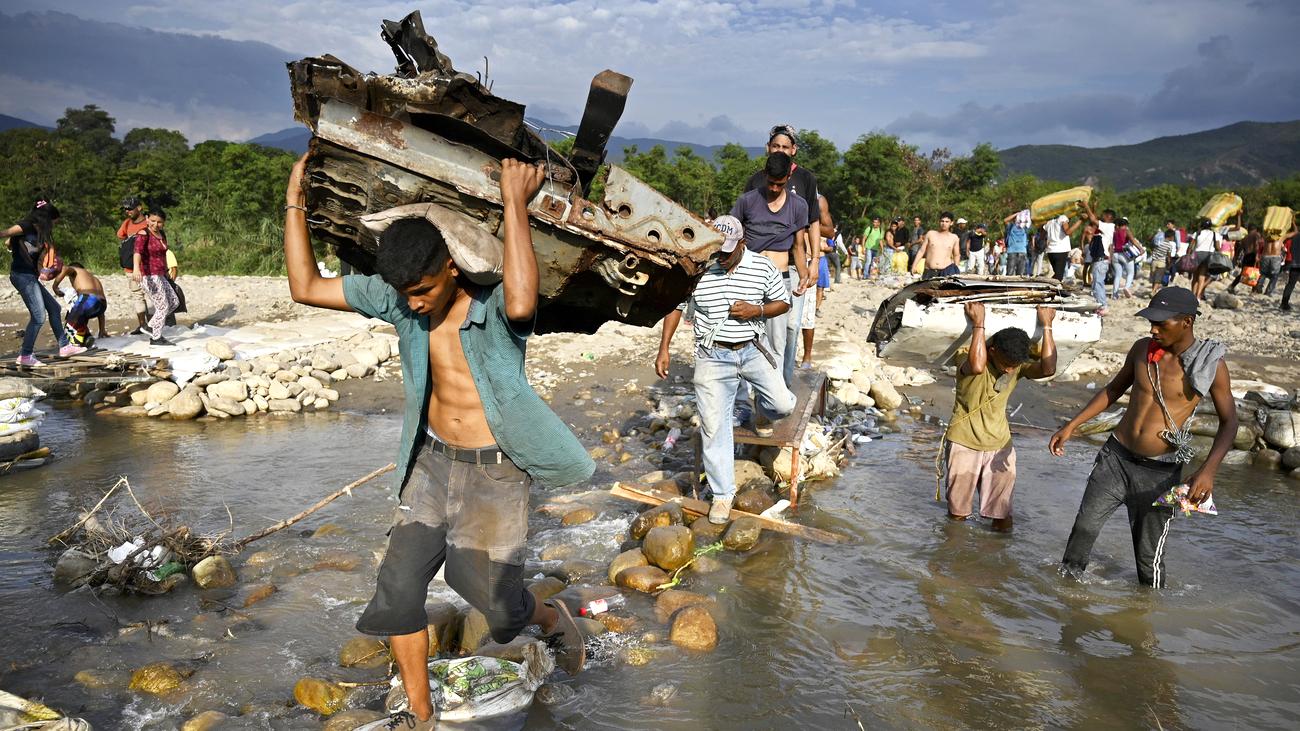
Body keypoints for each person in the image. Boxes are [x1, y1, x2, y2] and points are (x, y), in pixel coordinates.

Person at [283, 155, 593, 727]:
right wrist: (295, 200)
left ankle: (548, 617)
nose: (415, 302)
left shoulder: (495, 308)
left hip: (495, 472)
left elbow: (525, 300)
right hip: (430, 465)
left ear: (451, 267)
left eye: (423, 289)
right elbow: (305, 287)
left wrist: (513, 203)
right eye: (406, 294)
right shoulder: (403, 302)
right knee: (398, 589)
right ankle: (421, 715)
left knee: (500, 611)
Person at [1051, 287, 1236, 587]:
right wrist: (1072, 426)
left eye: (1162, 323)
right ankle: (1065, 600)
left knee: (1148, 559)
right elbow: (1113, 390)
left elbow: (1230, 422)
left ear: (1187, 322)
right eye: (1151, 321)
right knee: (1083, 529)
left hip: (1159, 472)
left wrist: (1208, 472)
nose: (1153, 328)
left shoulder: (1209, 365)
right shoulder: (1141, 350)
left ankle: (1146, 624)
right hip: (1116, 458)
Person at [655, 215, 795, 523]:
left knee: (783, 405)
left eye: (728, 250)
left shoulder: (763, 267)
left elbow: (783, 303)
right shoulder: (699, 266)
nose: (721, 255)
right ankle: (722, 495)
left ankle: (760, 411)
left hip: (753, 349)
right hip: (712, 354)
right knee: (714, 425)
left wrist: (756, 310)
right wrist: (664, 348)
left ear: (743, 242)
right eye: (717, 248)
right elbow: (676, 306)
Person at [945, 302, 1057, 531]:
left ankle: (998, 556)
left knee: (1003, 515)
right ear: (992, 350)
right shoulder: (967, 356)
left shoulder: (1017, 367)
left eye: (1013, 366)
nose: (1009, 370)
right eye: (1006, 365)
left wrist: (1046, 326)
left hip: (1000, 444)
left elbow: (1048, 369)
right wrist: (979, 323)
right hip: (964, 443)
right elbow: (976, 366)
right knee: (958, 514)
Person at [744, 125, 821, 380]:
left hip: (789, 269)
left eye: (785, 147)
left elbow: (813, 224)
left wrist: (813, 263)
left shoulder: (806, 181)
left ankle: (783, 382)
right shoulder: (756, 181)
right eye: (776, 146)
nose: (780, 150)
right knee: (756, 328)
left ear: (794, 150)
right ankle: (759, 383)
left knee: (790, 328)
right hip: (757, 268)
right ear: (768, 149)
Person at [732, 151, 810, 389]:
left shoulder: (798, 205)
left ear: (788, 178)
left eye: (780, 183)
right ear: (765, 175)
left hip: (779, 279)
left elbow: (798, 246)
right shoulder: (747, 201)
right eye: (771, 183)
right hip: (748, 278)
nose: (775, 189)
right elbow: (733, 238)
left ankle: (771, 399)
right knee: (743, 338)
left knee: (777, 342)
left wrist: (804, 272)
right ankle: (744, 398)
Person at [5, 200, 87, 366]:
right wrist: (12, 241)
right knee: (38, 316)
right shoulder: (25, 225)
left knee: (54, 308)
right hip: (21, 276)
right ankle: (25, 355)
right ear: (46, 218)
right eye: (53, 222)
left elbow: (12, 245)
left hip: (30, 276)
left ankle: (64, 347)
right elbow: (5, 234)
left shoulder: (39, 231)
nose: (53, 226)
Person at [131, 210, 179, 346]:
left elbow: (163, 254)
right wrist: (135, 269)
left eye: (159, 222)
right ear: (147, 219)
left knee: (174, 302)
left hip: (160, 274)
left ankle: (151, 326)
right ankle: (156, 338)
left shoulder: (161, 234)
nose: (155, 224)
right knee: (162, 306)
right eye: (152, 221)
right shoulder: (143, 233)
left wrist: (167, 270)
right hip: (148, 275)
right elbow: (137, 252)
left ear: (163, 223)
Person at [50, 261, 108, 347]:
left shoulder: (75, 270)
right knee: (80, 316)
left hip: (89, 299)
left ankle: (72, 343)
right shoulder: (93, 278)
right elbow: (100, 309)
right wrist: (102, 329)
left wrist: (55, 286)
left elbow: (65, 268)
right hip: (101, 305)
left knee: (71, 317)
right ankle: (86, 337)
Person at [117, 197, 151, 335]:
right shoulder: (126, 223)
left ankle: (154, 324)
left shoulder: (149, 222)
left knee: (151, 297)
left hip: (147, 267)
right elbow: (120, 235)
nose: (127, 211)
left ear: (139, 207)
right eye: (125, 208)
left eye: (130, 208)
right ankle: (143, 325)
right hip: (131, 268)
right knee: (138, 296)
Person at [1083, 202, 1116, 315]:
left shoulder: (1108, 226)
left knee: (1098, 284)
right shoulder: (1108, 229)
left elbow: (1093, 219)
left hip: (1101, 260)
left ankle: (1103, 306)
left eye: (1103, 215)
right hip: (1102, 260)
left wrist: (1086, 205)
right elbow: (1111, 246)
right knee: (1096, 283)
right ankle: (1100, 305)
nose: (1101, 217)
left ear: (1108, 217)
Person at [914, 212, 961, 279]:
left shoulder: (954, 237)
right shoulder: (931, 234)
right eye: (942, 221)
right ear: (939, 222)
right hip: (929, 270)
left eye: (947, 222)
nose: (944, 223)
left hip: (946, 271)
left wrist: (956, 269)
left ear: (951, 223)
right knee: (925, 289)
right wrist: (914, 265)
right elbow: (921, 251)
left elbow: (956, 255)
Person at [1256, 223, 1296, 296]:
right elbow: (1295, 232)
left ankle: (1259, 287)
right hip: (1275, 257)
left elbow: (1264, 227)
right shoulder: (1282, 236)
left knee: (1263, 274)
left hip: (1265, 256)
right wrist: (1293, 221)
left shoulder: (1266, 236)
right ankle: (1268, 292)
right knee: (1275, 276)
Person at [1111, 217, 1142, 300]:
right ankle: (1127, 287)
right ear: (1125, 225)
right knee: (1130, 273)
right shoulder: (1126, 231)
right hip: (1125, 254)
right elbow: (1133, 241)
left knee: (1117, 275)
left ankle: (1115, 295)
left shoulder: (1114, 232)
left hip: (1115, 254)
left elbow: (1112, 244)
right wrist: (1140, 249)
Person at [1189, 219, 1220, 300]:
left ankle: (1192, 296)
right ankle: (1198, 296)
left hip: (1197, 255)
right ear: (1210, 226)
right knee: (1202, 276)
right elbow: (1217, 247)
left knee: (1195, 276)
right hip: (1208, 256)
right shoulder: (1214, 234)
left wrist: (1187, 255)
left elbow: (1190, 246)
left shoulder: (1197, 233)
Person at [1044, 214, 1081, 281]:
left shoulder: (1049, 222)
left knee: (1058, 274)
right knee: (1059, 276)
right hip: (1060, 251)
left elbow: (1044, 236)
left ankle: (1052, 288)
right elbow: (1068, 232)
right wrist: (1080, 221)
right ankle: (1051, 288)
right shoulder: (1062, 217)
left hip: (1051, 252)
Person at [1149, 221, 1177, 294]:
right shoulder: (1169, 246)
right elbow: (1168, 256)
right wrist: (1169, 263)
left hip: (1154, 261)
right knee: (1158, 278)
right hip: (1162, 263)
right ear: (1171, 237)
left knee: (1154, 277)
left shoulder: (1158, 242)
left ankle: (1153, 290)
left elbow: (1152, 247)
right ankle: (1153, 291)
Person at [1001, 211, 1032, 276]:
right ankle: (1007, 286)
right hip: (1012, 251)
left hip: (1022, 252)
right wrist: (1016, 214)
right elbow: (1005, 220)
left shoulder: (1025, 227)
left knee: (1020, 275)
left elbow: (1031, 220)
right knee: (1009, 273)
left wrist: (1024, 215)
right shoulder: (1011, 226)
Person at [1281, 233, 1300, 311]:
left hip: (1294, 263)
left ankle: (1284, 304)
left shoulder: (1295, 237)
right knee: (1291, 284)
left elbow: (1290, 249)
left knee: (1291, 284)